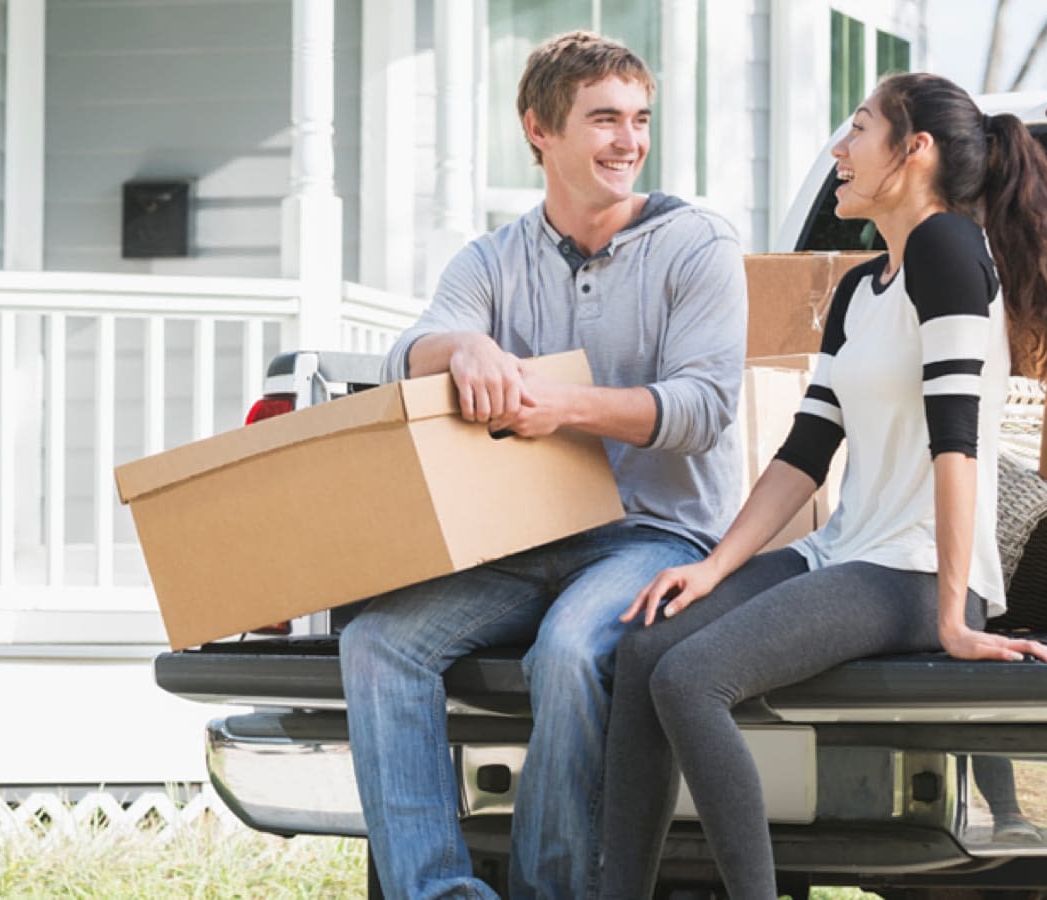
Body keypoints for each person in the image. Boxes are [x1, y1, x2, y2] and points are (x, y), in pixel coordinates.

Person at [598, 71, 1047, 899]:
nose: (841, 148)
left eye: (859, 129)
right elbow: (806, 450)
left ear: (914, 150)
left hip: (914, 569)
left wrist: (952, 613)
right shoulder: (866, 286)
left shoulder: (950, 250)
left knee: (691, 677)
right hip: (846, 553)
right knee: (646, 642)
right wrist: (712, 570)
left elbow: (957, 441)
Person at [339, 30, 748, 900]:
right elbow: (406, 353)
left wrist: (563, 404)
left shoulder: (699, 244)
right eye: (604, 120)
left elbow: (704, 411)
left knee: (567, 650)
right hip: (529, 538)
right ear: (540, 131)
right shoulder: (492, 259)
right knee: (377, 642)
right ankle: (441, 892)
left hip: (656, 533)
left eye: (638, 120)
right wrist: (462, 345)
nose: (628, 142)